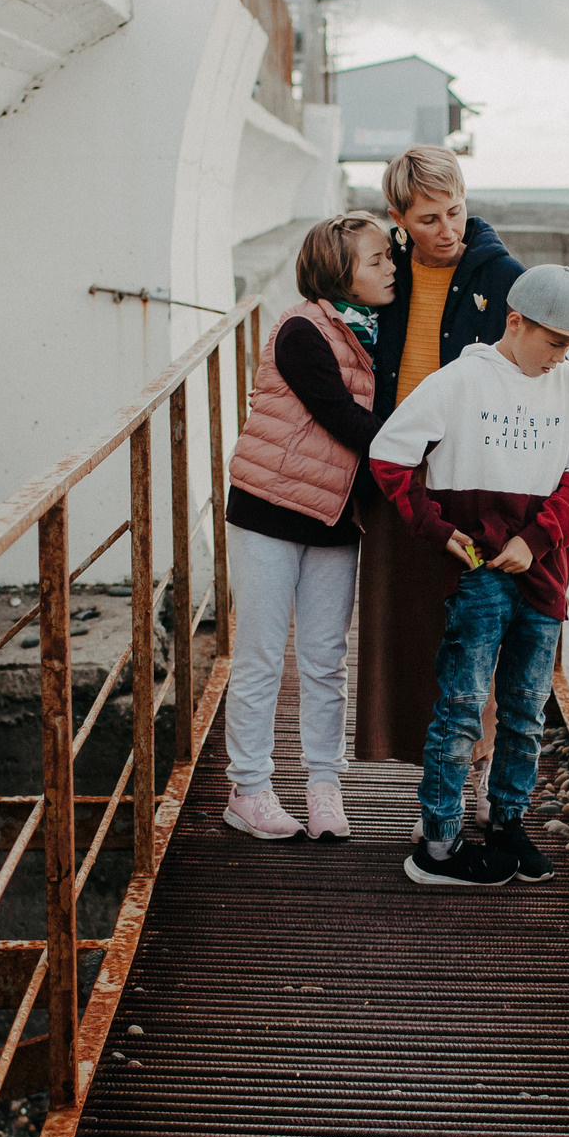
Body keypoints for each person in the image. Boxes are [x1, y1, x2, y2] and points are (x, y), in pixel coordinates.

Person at [354, 146, 569, 799]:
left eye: (455, 211)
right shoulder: (383, 269)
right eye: (428, 218)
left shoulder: (495, 269)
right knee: (412, 630)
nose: (447, 228)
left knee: (477, 632)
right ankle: (429, 785)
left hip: (471, 466)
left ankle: (476, 778)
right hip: (399, 465)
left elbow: (542, 345)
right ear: (399, 218)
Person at [367, 264, 569, 886]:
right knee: (462, 707)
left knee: (527, 711)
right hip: (476, 571)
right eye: (553, 341)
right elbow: (389, 454)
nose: (563, 357)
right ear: (514, 321)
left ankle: (507, 822)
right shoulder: (459, 381)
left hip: (543, 572)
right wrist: (435, 528)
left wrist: (536, 541)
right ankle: (439, 845)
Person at [217, 211, 394, 842]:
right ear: (338, 271)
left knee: (326, 659)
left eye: (388, 257)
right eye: (376, 261)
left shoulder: (381, 331)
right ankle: (250, 789)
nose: (390, 267)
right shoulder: (301, 329)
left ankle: (324, 787)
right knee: (262, 654)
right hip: (269, 508)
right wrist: (429, 452)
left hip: (336, 516)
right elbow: (341, 418)